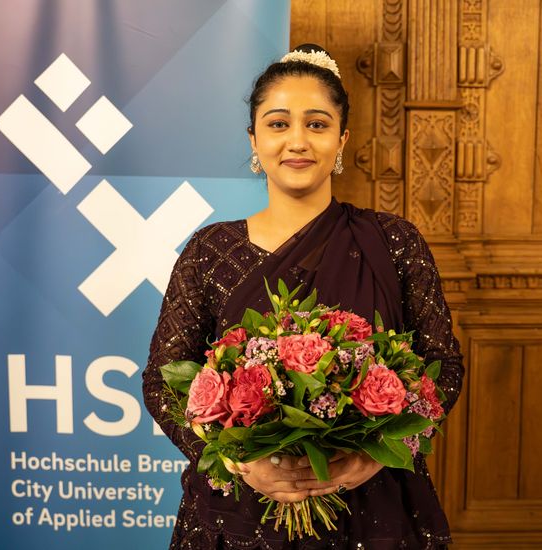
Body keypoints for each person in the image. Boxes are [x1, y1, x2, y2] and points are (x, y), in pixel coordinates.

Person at [142, 44, 465, 549]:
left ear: (342, 139)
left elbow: (442, 365)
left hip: (371, 506)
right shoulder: (210, 251)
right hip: (239, 513)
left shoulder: (393, 242)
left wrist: (377, 452)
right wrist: (236, 460)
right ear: (254, 139)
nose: (297, 141)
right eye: (278, 124)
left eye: (317, 124)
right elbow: (163, 380)